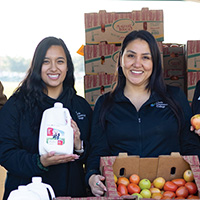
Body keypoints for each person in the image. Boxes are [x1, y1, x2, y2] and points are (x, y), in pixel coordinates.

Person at [85, 30, 200, 197]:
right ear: (121, 59)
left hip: (170, 191)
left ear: (154, 63)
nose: (137, 63)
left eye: (145, 57)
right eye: (131, 56)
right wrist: (91, 177)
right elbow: (97, 151)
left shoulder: (174, 98)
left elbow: (191, 146)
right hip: (123, 191)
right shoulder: (105, 104)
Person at [0, 36, 92, 199]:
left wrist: (79, 146)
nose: (54, 68)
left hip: (72, 193)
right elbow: (5, 152)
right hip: (27, 193)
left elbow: (95, 155)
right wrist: (40, 162)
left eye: (60, 61)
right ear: (37, 66)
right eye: (46, 61)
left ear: (68, 67)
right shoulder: (17, 105)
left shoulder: (81, 107)